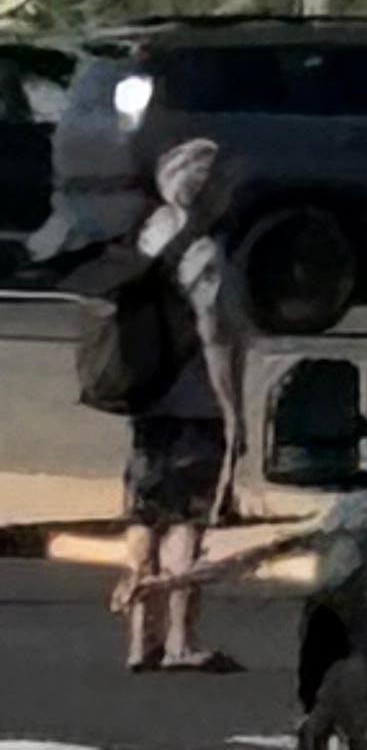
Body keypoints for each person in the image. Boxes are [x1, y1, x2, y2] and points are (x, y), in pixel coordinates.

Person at [113, 137, 252, 675]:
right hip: (194, 404)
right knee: (188, 520)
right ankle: (179, 641)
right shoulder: (204, 254)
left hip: (146, 400)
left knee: (144, 514)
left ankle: (136, 639)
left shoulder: (149, 236)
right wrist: (233, 411)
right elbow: (215, 337)